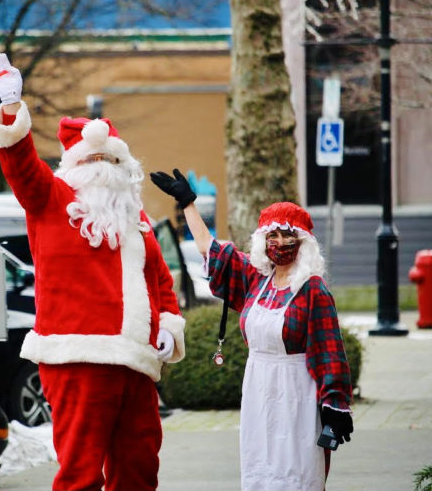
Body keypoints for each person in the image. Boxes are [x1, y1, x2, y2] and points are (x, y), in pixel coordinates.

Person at [0, 54, 186, 491]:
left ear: (124, 166)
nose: (103, 169)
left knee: (139, 467)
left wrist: (168, 323)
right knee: (80, 472)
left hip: (136, 361)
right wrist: (11, 107)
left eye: (111, 161)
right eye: (93, 160)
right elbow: (20, 164)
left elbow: (160, 281)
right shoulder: (50, 200)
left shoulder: (137, 220)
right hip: (78, 359)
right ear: (74, 166)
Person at [151, 168, 353, 491]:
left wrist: (335, 406)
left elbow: (330, 353)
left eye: (288, 235)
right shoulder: (256, 279)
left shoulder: (313, 289)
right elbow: (210, 250)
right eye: (273, 235)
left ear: (303, 242)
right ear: (263, 240)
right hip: (259, 393)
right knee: (260, 476)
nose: (281, 242)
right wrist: (188, 203)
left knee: (296, 477)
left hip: (297, 395)